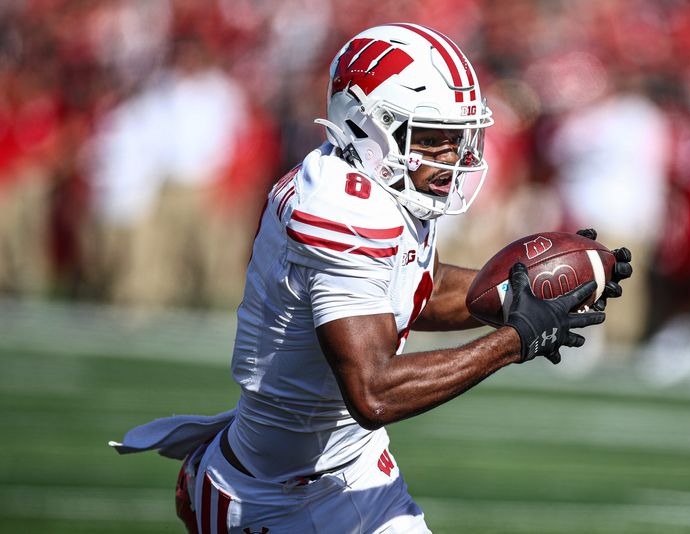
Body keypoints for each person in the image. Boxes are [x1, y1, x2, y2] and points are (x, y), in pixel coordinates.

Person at [111, 23, 631, 533]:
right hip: (272, 499)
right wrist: (515, 340)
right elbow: (373, 391)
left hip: (361, 471)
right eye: (432, 138)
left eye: (458, 139)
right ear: (365, 124)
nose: (452, 159)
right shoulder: (338, 208)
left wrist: (525, 291)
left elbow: (417, 288)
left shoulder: (380, 184)